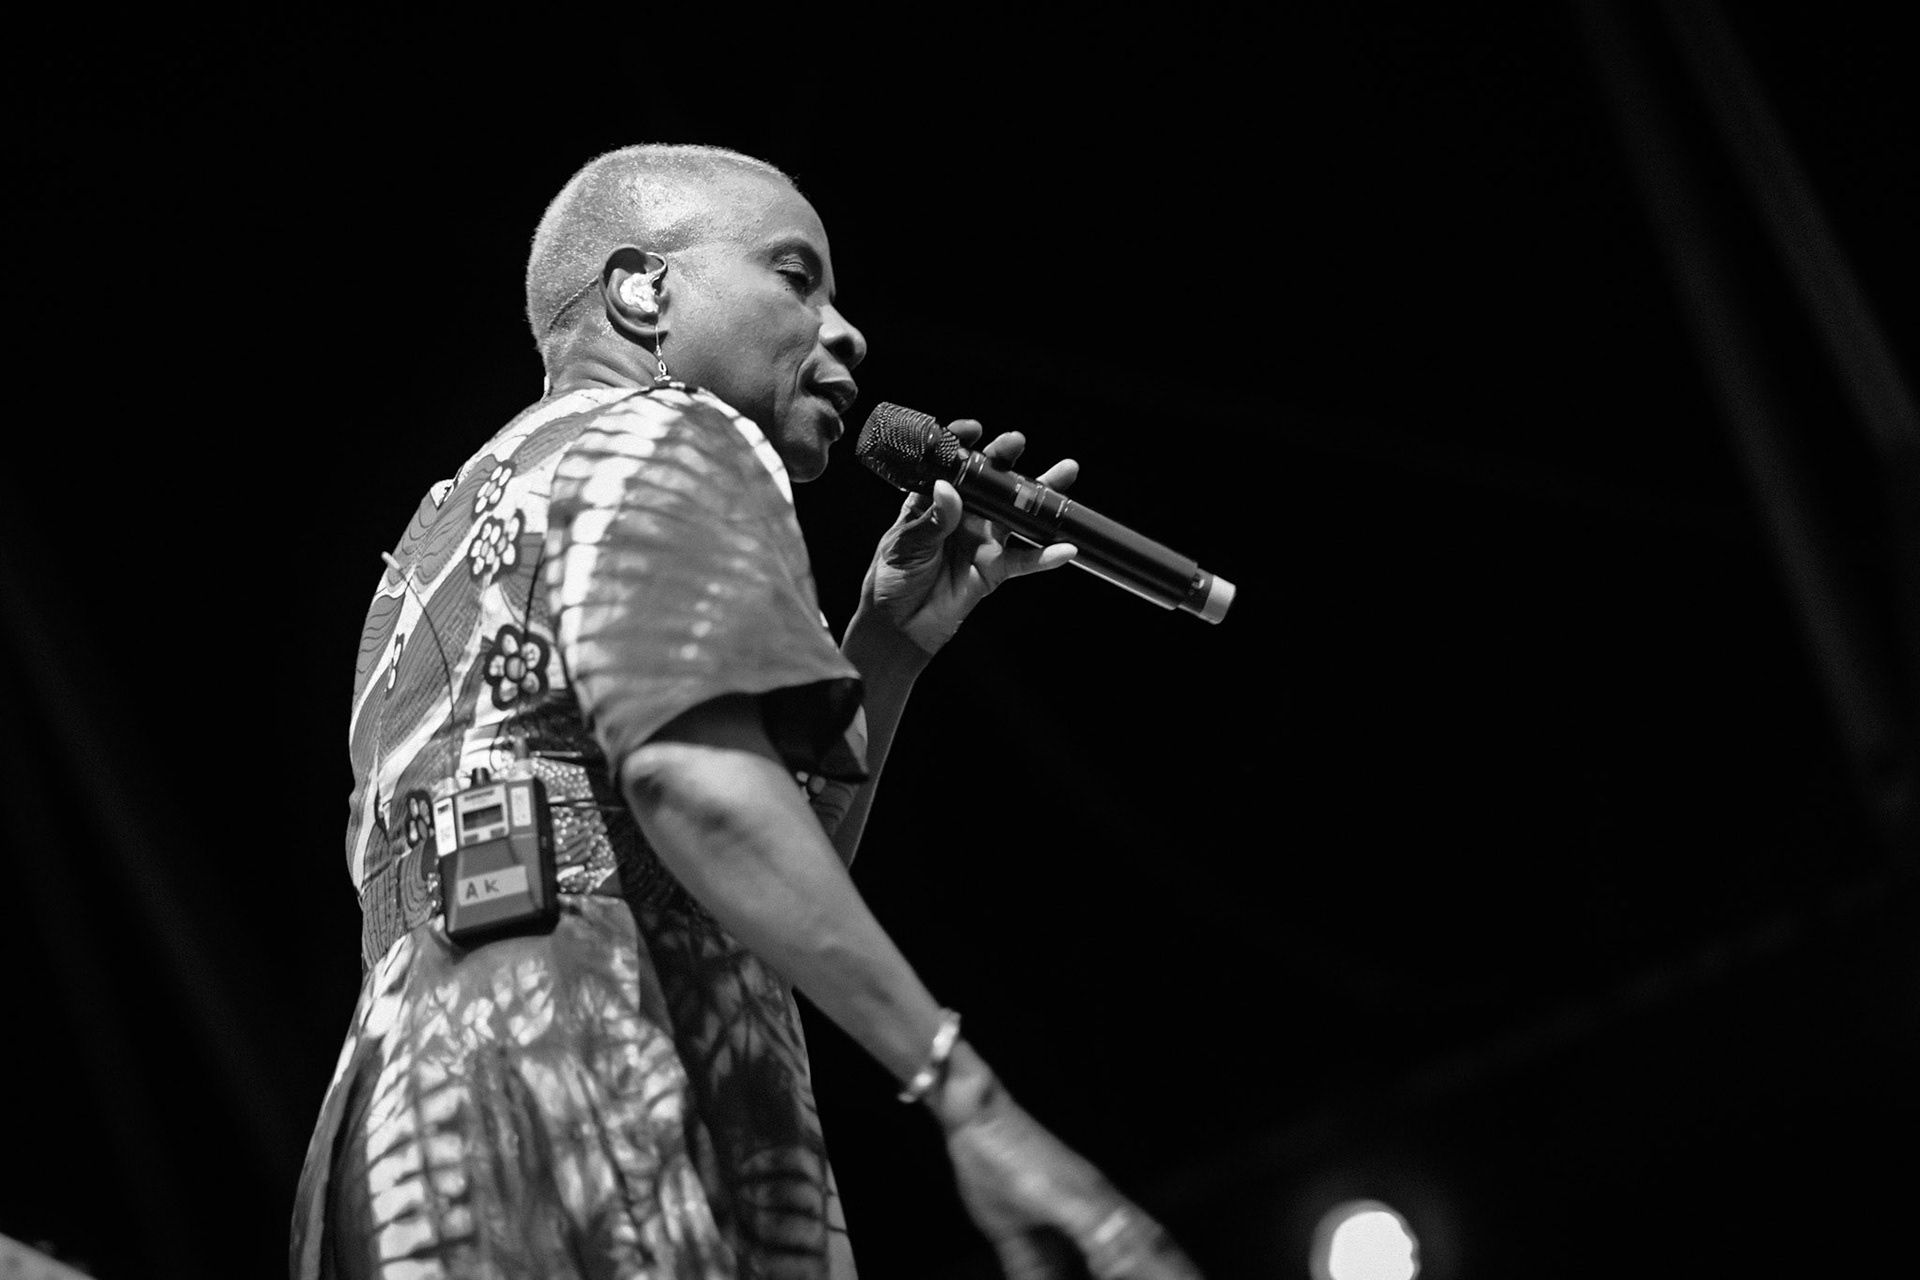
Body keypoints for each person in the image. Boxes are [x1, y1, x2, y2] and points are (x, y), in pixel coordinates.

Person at [292, 143, 1201, 1280]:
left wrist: (890, 642)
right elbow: (697, 787)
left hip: (408, 1140)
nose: (847, 329)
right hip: (597, 1085)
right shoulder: (678, 432)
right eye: (794, 275)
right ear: (643, 290)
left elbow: (738, 868)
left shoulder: (437, 542)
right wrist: (967, 1093)